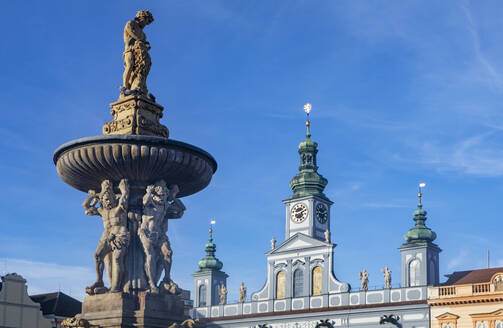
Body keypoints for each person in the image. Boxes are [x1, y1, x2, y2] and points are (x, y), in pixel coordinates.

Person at [82, 179, 130, 294]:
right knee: (97, 255)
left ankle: (116, 287)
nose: (107, 201)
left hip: (120, 234)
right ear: (102, 200)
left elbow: (124, 201)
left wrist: (124, 191)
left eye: (109, 198)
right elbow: (86, 206)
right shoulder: (102, 211)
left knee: (117, 259)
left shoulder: (119, 208)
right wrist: (94, 196)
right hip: (107, 235)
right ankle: (99, 281)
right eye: (105, 199)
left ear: (114, 199)